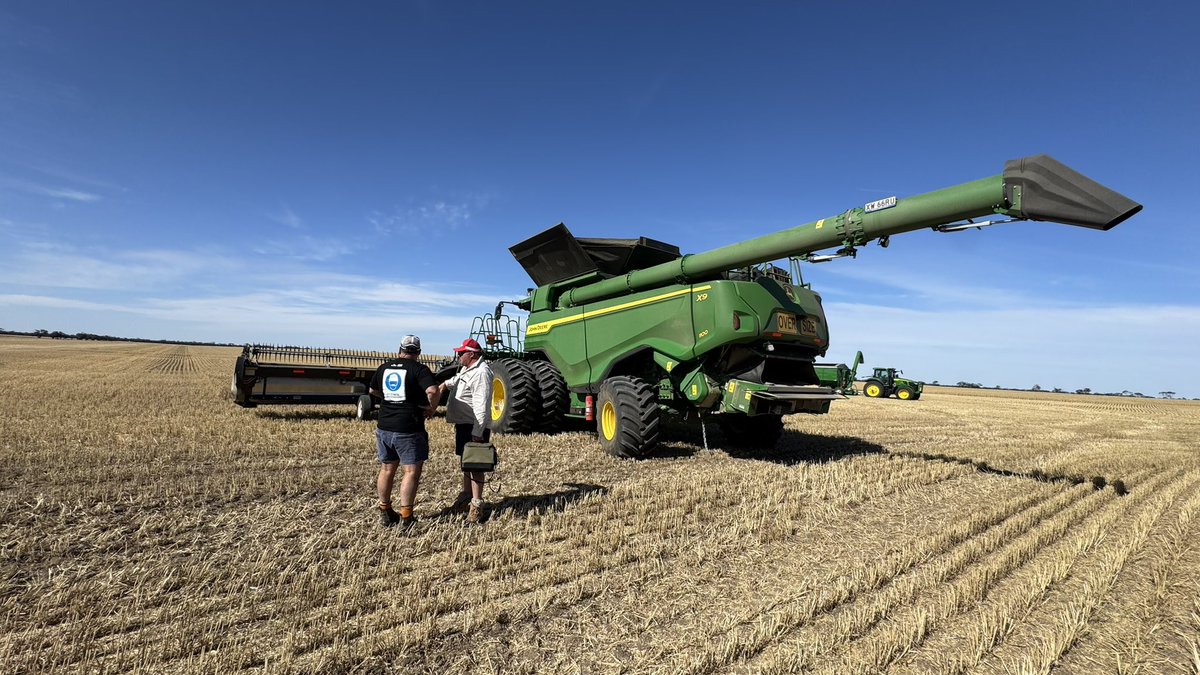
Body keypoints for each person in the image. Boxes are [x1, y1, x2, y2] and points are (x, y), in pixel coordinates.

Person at [368, 334, 439, 529]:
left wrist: (390, 399)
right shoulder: (419, 369)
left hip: (384, 426)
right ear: (418, 352)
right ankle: (406, 517)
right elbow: (433, 390)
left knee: (387, 469)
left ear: (399, 349)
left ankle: (385, 510)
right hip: (408, 427)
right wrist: (431, 409)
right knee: (411, 471)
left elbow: (372, 391)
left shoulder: (384, 367)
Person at [438, 338, 494, 523]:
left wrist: (478, 433)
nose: (459, 355)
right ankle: (466, 498)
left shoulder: (481, 373)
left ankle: (477, 506)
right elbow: (459, 380)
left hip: (474, 426)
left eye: (461, 353)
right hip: (464, 424)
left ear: (472, 354)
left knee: (475, 465)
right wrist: (446, 384)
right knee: (466, 462)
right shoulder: (468, 369)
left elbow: (482, 405)